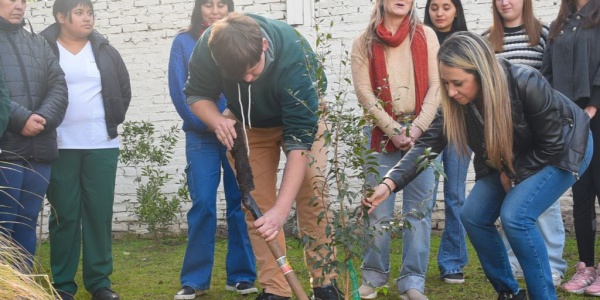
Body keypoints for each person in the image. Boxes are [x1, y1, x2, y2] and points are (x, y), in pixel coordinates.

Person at [363, 31, 593, 300]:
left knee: (516, 217)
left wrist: (513, 174)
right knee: (473, 215)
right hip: (512, 156)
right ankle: (509, 293)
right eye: (446, 83)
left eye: (458, 83)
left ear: (480, 73)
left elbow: (551, 145)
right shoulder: (457, 101)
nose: (450, 91)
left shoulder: (525, 81)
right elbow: (427, 146)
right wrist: (388, 184)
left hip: (565, 148)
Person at [184, 12, 343, 300]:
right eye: (238, 75)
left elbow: (300, 146)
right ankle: (276, 290)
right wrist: (216, 120)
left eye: (252, 71)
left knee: (314, 193)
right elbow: (196, 94)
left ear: (264, 46)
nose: (246, 79)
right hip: (248, 123)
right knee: (257, 208)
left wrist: (283, 211)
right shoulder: (211, 47)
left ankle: (325, 282)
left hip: (301, 120)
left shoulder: (293, 55)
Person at [40, 0, 130, 299]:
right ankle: (63, 284)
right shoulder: (43, 48)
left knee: (99, 214)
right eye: (79, 12)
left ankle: (99, 283)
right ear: (61, 17)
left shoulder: (104, 49)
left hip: (101, 144)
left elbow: (122, 88)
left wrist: (112, 119)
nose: (87, 18)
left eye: (89, 12)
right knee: (64, 214)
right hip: (59, 144)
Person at [168, 1, 258, 299]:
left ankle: (242, 276)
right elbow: (181, 91)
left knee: (240, 203)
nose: (215, 10)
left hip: (236, 133)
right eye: (208, 4)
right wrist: (209, 122)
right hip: (201, 136)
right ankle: (194, 280)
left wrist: (230, 123)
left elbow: (248, 85)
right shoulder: (184, 42)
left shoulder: (239, 37)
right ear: (198, 8)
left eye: (222, 4)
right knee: (203, 204)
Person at [351, 0, 440, 298]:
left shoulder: (427, 36)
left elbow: (436, 87)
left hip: (422, 134)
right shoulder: (363, 43)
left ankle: (412, 281)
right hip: (379, 134)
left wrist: (417, 129)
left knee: (419, 210)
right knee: (378, 210)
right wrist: (393, 130)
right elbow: (364, 92)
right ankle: (374, 276)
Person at [482, 0, 566, 287]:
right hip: (505, 133)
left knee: (544, 201)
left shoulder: (543, 35)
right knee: (512, 197)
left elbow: (551, 82)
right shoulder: (485, 40)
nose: (505, 2)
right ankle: (516, 260)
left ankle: (553, 263)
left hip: (537, 128)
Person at [0, 0, 68, 270]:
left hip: (39, 148)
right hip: (7, 148)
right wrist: (21, 120)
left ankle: (24, 288)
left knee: (27, 221)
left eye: (23, 0)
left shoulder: (38, 43)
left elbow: (59, 86)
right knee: (4, 223)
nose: (19, 5)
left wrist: (42, 119)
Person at [541, 0, 600, 295]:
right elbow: (547, 74)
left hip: (597, 116)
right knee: (582, 193)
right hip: (571, 121)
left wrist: (593, 105)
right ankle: (586, 266)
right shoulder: (560, 24)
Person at [423, 0, 470, 285]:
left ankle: (452, 262)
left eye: (446, 7)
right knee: (425, 198)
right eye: (434, 7)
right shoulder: (419, 42)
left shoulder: (467, 42)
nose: (439, 13)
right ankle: (415, 264)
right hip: (428, 128)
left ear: (456, 11)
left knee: (455, 197)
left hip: (461, 129)